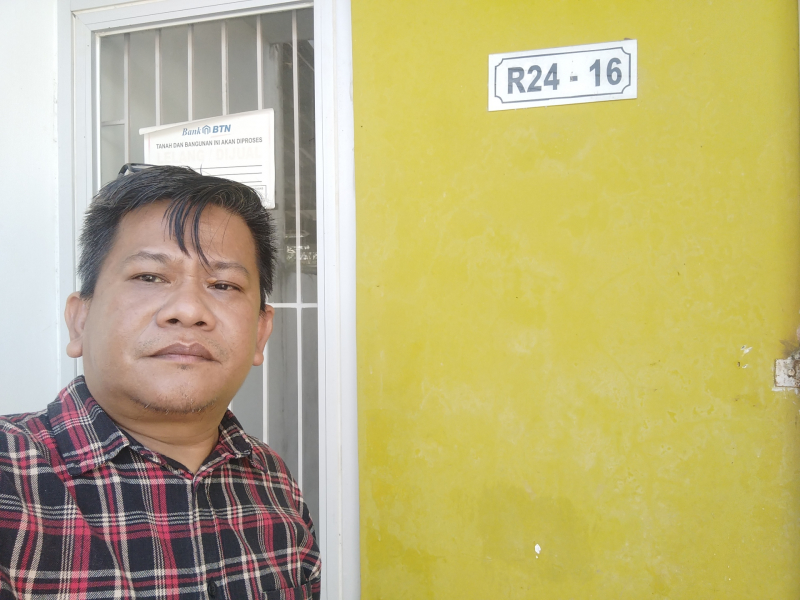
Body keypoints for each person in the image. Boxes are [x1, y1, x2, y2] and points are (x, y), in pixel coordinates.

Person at [0, 165, 321, 599]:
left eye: (224, 284)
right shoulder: (11, 477)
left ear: (261, 333)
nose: (188, 310)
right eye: (149, 277)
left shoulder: (272, 480)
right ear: (80, 320)